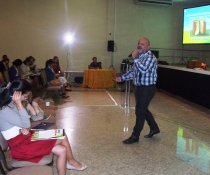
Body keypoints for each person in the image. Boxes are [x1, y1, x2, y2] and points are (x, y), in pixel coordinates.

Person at [0, 80, 87, 175]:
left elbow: (21, 123)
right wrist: (20, 106)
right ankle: (71, 162)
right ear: (17, 95)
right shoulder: (5, 110)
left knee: (62, 148)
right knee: (62, 136)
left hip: (25, 138)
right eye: (25, 97)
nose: (25, 99)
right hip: (21, 147)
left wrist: (21, 128)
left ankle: (70, 162)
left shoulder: (10, 106)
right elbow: (26, 124)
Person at [116, 37, 160, 144]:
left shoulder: (151, 58)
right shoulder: (139, 57)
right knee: (143, 109)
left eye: (143, 44)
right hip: (139, 87)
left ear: (148, 47)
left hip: (148, 88)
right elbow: (134, 72)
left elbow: (144, 70)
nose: (140, 45)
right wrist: (122, 78)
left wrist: (135, 58)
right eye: (139, 44)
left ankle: (135, 136)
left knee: (139, 111)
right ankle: (154, 128)